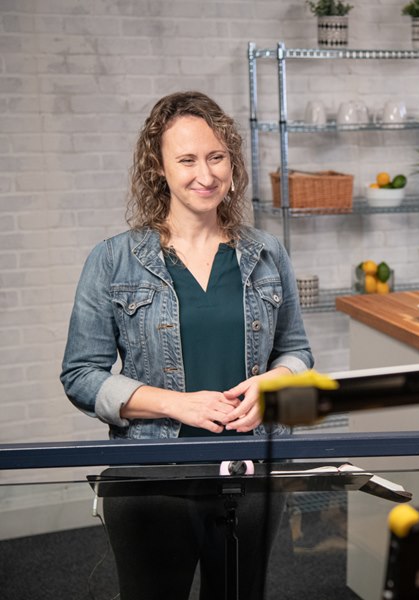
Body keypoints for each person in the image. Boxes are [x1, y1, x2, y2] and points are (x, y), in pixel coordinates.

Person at [60, 91, 313, 599]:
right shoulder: (113, 260)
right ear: (159, 168)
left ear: (232, 161)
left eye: (217, 157)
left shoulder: (267, 253)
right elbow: (81, 375)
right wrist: (176, 404)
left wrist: (276, 381)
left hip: (251, 474)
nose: (206, 174)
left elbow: (297, 351)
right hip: (153, 478)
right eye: (188, 159)